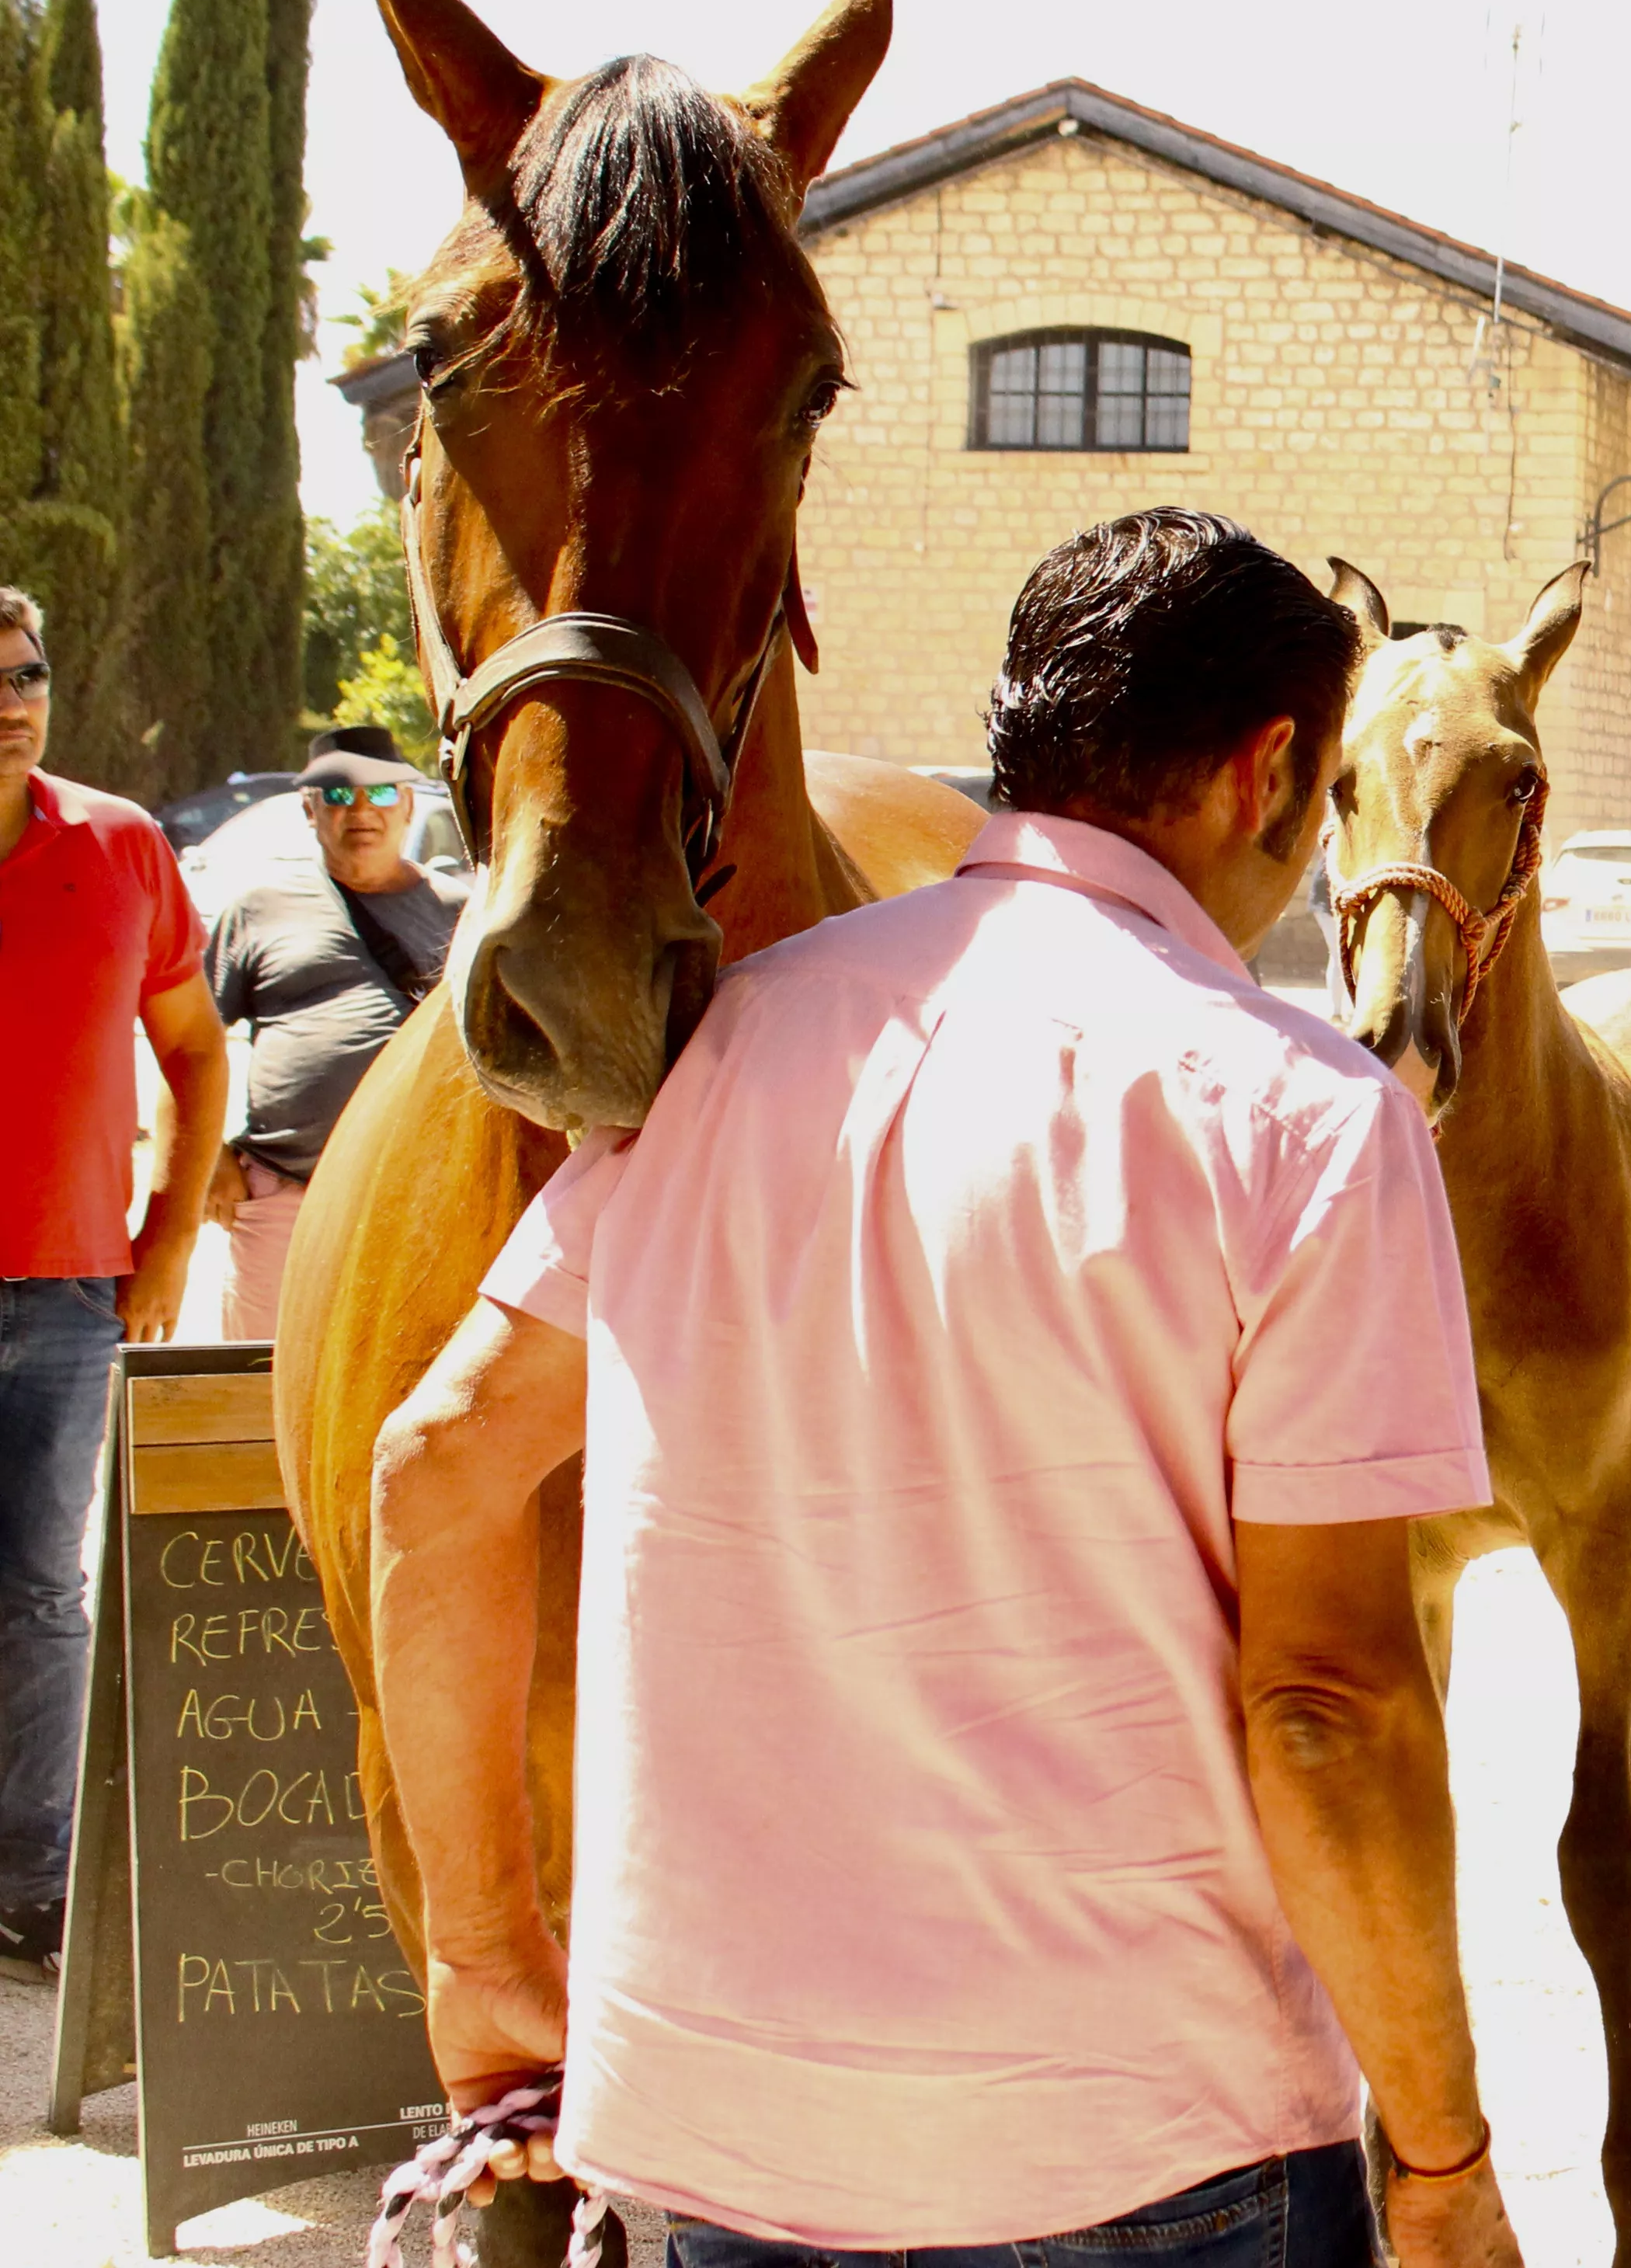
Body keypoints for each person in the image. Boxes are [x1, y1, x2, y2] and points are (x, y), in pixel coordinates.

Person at [367, 512, 1520, 2268]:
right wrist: (1437, 2151)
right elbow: (1326, 1706)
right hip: (1147, 2141)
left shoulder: (726, 1049)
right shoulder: (1298, 1117)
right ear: (1273, 770)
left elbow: (438, 1465)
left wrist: (483, 1957)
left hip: (722, 2129)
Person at [0, 585, 228, 1979]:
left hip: (73, 1294)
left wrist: (174, 1232)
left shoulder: (125, 848)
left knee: (38, 1590)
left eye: (28, 673)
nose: (13, 699)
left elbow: (199, 1055)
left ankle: (32, 1882)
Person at [201, 726, 464, 1339]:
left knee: (406, 1379)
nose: (362, 812)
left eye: (379, 794)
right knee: (252, 1383)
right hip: (283, 1193)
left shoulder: (460, 909)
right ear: (309, 808)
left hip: (416, 1199)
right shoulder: (259, 906)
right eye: (340, 797)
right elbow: (191, 1038)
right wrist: (208, 1158)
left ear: (406, 804)